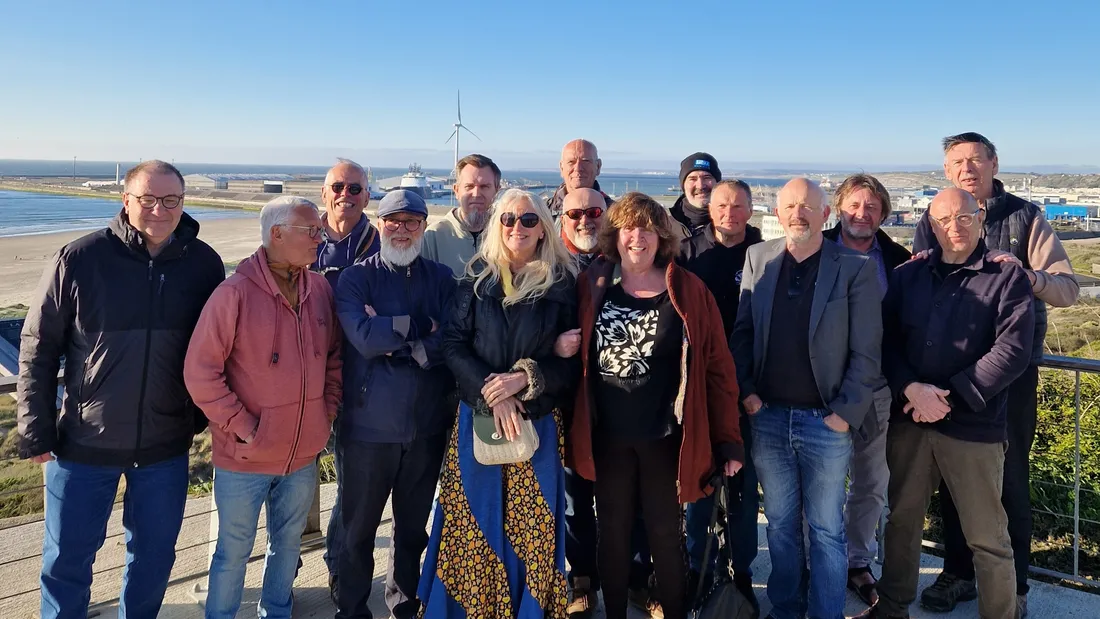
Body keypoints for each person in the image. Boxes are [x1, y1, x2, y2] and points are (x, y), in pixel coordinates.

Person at [16, 160, 225, 619]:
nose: (159, 209)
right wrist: (36, 429)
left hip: (164, 445)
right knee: (67, 561)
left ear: (183, 202)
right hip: (83, 443)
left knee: (153, 558)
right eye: (147, 199)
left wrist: (198, 418)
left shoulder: (204, 264)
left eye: (170, 200)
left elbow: (216, 348)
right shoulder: (80, 258)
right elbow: (39, 348)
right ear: (125, 201)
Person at [912, 133, 1077, 617]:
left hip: (1011, 373)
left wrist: (1027, 276)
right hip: (948, 371)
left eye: (975, 160)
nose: (967, 169)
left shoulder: (1025, 217)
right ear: (946, 171)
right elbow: (922, 280)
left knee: (1008, 478)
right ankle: (957, 574)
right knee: (950, 474)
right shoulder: (933, 216)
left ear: (993, 163)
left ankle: (1015, 586)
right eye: (956, 162)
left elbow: (1067, 289)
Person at [855, 188, 1034, 619]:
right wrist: (910, 389)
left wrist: (948, 399)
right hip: (911, 421)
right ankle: (892, 607)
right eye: (943, 220)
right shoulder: (907, 275)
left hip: (974, 425)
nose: (954, 227)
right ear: (930, 225)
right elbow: (888, 341)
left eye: (964, 217)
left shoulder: (1006, 278)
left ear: (980, 217)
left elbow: (1011, 352)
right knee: (902, 523)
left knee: (987, 536)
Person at [569, 192, 743, 619]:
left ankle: (675, 611)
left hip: (665, 438)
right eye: (629, 227)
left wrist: (729, 441)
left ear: (661, 236)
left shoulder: (687, 289)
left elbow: (718, 371)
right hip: (608, 437)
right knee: (611, 531)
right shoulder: (592, 284)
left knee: (666, 532)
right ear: (615, 234)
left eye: (647, 228)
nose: (637, 237)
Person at [417, 189, 580, 618]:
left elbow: (572, 364)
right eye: (508, 219)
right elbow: (452, 346)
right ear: (496, 224)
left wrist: (525, 380)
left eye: (528, 220)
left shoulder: (562, 286)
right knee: (472, 522)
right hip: (478, 420)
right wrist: (494, 395)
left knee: (534, 528)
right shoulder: (477, 278)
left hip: (537, 422)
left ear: (543, 228)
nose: (517, 228)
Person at [184, 196, 342, 619]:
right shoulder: (233, 294)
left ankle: (277, 611)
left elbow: (334, 359)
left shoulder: (320, 289)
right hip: (244, 457)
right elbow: (201, 373)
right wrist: (244, 426)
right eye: (311, 231)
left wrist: (325, 413)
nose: (320, 238)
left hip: (302, 456)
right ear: (276, 234)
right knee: (232, 554)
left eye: (320, 231)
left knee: (288, 546)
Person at [730, 178, 882, 619]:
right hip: (769, 418)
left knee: (827, 530)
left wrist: (843, 415)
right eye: (790, 206)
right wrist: (749, 394)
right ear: (777, 214)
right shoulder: (758, 259)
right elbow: (742, 335)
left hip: (826, 423)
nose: (798, 213)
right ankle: (785, 609)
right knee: (779, 526)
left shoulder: (855, 268)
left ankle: (825, 613)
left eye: (808, 206)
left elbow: (867, 352)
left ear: (826, 215)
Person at [333, 190, 457, 619]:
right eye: (393, 221)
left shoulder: (442, 279)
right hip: (367, 428)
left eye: (411, 222)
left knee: (410, 531)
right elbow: (364, 338)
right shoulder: (355, 279)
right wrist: (422, 327)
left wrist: (401, 341)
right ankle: (350, 609)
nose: (401, 229)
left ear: (424, 226)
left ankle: (403, 607)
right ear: (378, 222)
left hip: (425, 427)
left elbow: (453, 339)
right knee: (358, 532)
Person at [821, 174, 911, 606]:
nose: (862, 213)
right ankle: (818, 560)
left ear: (884, 214)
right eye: (854, 205)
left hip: (876, 389)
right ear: (839, 208)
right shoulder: (812, 250)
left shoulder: (897, 259)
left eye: (872, 207)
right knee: (819, 483)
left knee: (871, 482)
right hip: (820, 389)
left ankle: (857, 561)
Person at [679, 179, 764, 610]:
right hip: (696, 388)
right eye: (722, 204)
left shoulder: (765, 255)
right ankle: (698, 563)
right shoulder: (690, 253)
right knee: (699, 480)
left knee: (743, 485)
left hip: (747, 390)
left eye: (738, 205)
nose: (729, 211)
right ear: (710, 209)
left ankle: (741, 570)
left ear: (751, 210)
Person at [312, 158, 380, 601]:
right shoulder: (300, 232)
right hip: (300, 376)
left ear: (367, 196)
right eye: (338, 186)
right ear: (324, 192)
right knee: (292, 479)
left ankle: (337, 563)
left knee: (349, 478)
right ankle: (283, 566)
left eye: (356, 189)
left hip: (356, 378)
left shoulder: (380, 240)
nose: (346, 195)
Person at [423, 153, 501, 274]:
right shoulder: (434, 236)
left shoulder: (506, 233)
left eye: (484, 186)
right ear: (456, 191)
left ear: (497, 191)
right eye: (469, 186)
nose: (476, 194)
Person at [546, 139, 613, 224]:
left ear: (598, 166)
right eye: (571, 162)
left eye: (585, 161)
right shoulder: (543, 213)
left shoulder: (617, 215)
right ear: (562, 168)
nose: (578, 168)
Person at [669, 152, 720, 235]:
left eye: (707, 177)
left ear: (718, 183)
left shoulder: (735, 226)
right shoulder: (664, 227)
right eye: (692, 179)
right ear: (683, 185)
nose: (700, 186)